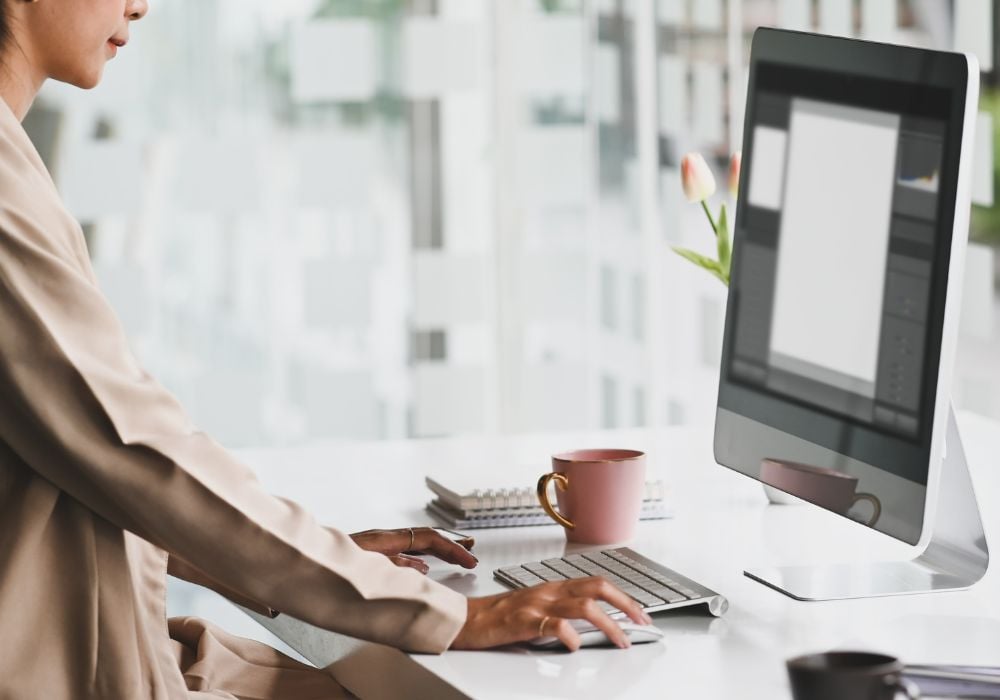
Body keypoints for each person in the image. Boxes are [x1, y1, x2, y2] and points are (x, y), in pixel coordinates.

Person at [0, 1, 651, 698]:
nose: (140, 5)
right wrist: (442, 613)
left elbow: (94, 469)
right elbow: (136, 453)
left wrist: (339, 564)